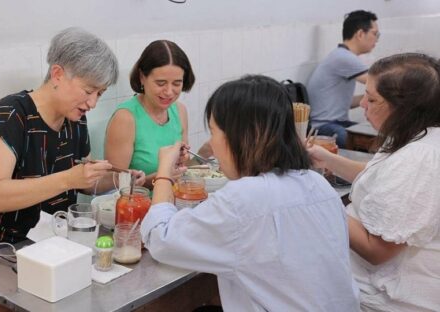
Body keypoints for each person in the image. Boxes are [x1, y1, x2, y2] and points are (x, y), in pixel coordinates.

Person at [141, 75, 360, 311]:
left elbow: (161, 239)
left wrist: (164, 170)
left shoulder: (245, 198)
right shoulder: (317, 183)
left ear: (247, 136)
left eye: (214, 133)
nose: (212, 145)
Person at [0, 27, 144, 260]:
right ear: (57, 74)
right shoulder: (12, 114)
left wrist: (119, 178)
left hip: (53, 242)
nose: (92, 103)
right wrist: (69, 178)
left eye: (99, 93)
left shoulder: (75, 119)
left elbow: (84, 182)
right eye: (88, 90)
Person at [307, 53, 440, 311]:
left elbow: (376, 250)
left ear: (404, 109)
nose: (363, 106)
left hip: (391, 300)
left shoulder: (418, 159)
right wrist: (325, 159)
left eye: (372, 99)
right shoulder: (414, 133)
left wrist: (316, 196)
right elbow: (380, 176)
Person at [104, 40, 195, 188]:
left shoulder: (179, 111)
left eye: (177, 83)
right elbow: (114, 186)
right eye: (161, 83)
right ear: (142, 77)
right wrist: (159, 178)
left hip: (176, 201)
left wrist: (195, 156)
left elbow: (183, 168)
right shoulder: (125, 118)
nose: (169, 92)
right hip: (141, 207)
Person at [307, 10, 379, 147]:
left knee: (376, 137)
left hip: (336, 123)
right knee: (373, 142)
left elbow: (347, 103)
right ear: (360, 34)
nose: (376, 39)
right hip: (323, 127)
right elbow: (381, 83)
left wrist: (368, 97)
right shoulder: (343, 57)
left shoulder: (341, 56)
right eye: (375, 34)